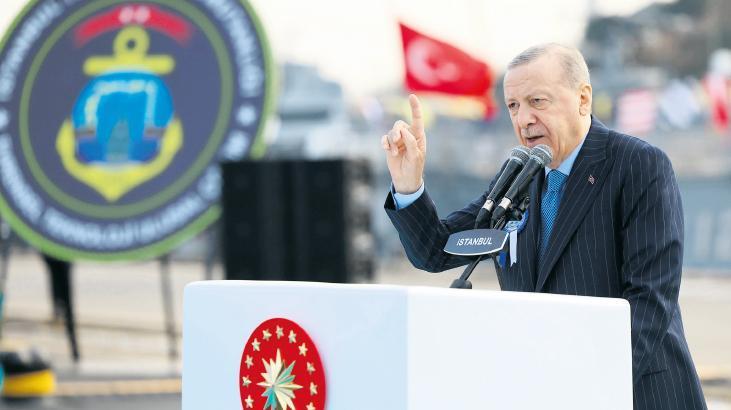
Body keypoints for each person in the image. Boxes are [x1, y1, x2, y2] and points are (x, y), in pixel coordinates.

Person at [382, 43, 706, 409]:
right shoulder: (518, 177)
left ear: (583, 99)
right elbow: (435, 250)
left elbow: (649, 303)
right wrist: (408, 184)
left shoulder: (638, 165)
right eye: (513, 106)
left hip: (633, 396)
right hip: (545, 391)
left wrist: (584, 392)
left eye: (537, 101)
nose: (523, 119)